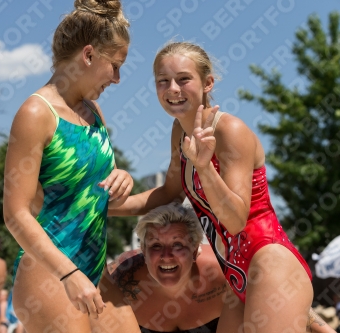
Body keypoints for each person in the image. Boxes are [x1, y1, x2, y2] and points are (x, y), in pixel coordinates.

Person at [109, 41, 315, 332]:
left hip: (267, 262)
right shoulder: (180, 131)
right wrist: (103, 207)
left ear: (207, 83)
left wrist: (204, 167)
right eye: (163, 81)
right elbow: (169, 193)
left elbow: (235, 219)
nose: (172, 89)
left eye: (183, 79)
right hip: (235, 274)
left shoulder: (230, 131)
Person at [2, 0, 133, 331]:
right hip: (49, 274)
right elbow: (15, 214)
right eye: (115, 66)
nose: (118, 79)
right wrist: (69, 273)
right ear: (88, 56)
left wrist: (122, 177)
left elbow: (95, 194)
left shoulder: (94, 113)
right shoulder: (35, 113)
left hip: (95, 267)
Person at [100, 203, 340, 333]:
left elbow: (278, 299)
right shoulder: (124, 279)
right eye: (155, 246)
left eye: (177, 244)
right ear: (143, 250)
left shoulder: (223, 271)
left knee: (247, 292)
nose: (166, 256)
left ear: (196, 248)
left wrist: (328, 330)